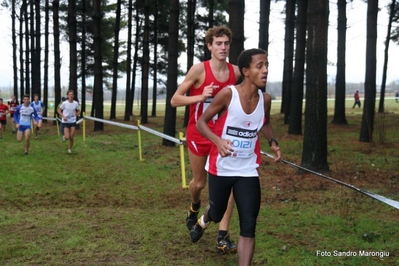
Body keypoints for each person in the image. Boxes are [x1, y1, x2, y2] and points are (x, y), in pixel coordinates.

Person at [194, 48, 282, 265]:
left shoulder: (266, 99)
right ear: (246, 71)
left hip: (247, 169)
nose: (265, 70)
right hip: (222, 167)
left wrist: (273, 141)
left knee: (249, 225)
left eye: (267, 65)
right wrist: (218, 141)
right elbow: (201, 122)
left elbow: (265, 123)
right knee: (217, 212)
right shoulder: (228, 95)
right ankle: (205, 219)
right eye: (259, 66)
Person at [170, 25, 241, 253]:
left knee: (228, 187)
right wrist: (201, 96)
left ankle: (223, 236)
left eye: (226, 43)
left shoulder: (236, 72)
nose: (223, 47)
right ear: (209, 46)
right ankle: (194, 206)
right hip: (198, 133)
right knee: (199, 184)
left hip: (221, 137)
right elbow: (175, 100)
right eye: (218, 43)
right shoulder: (199, 70)